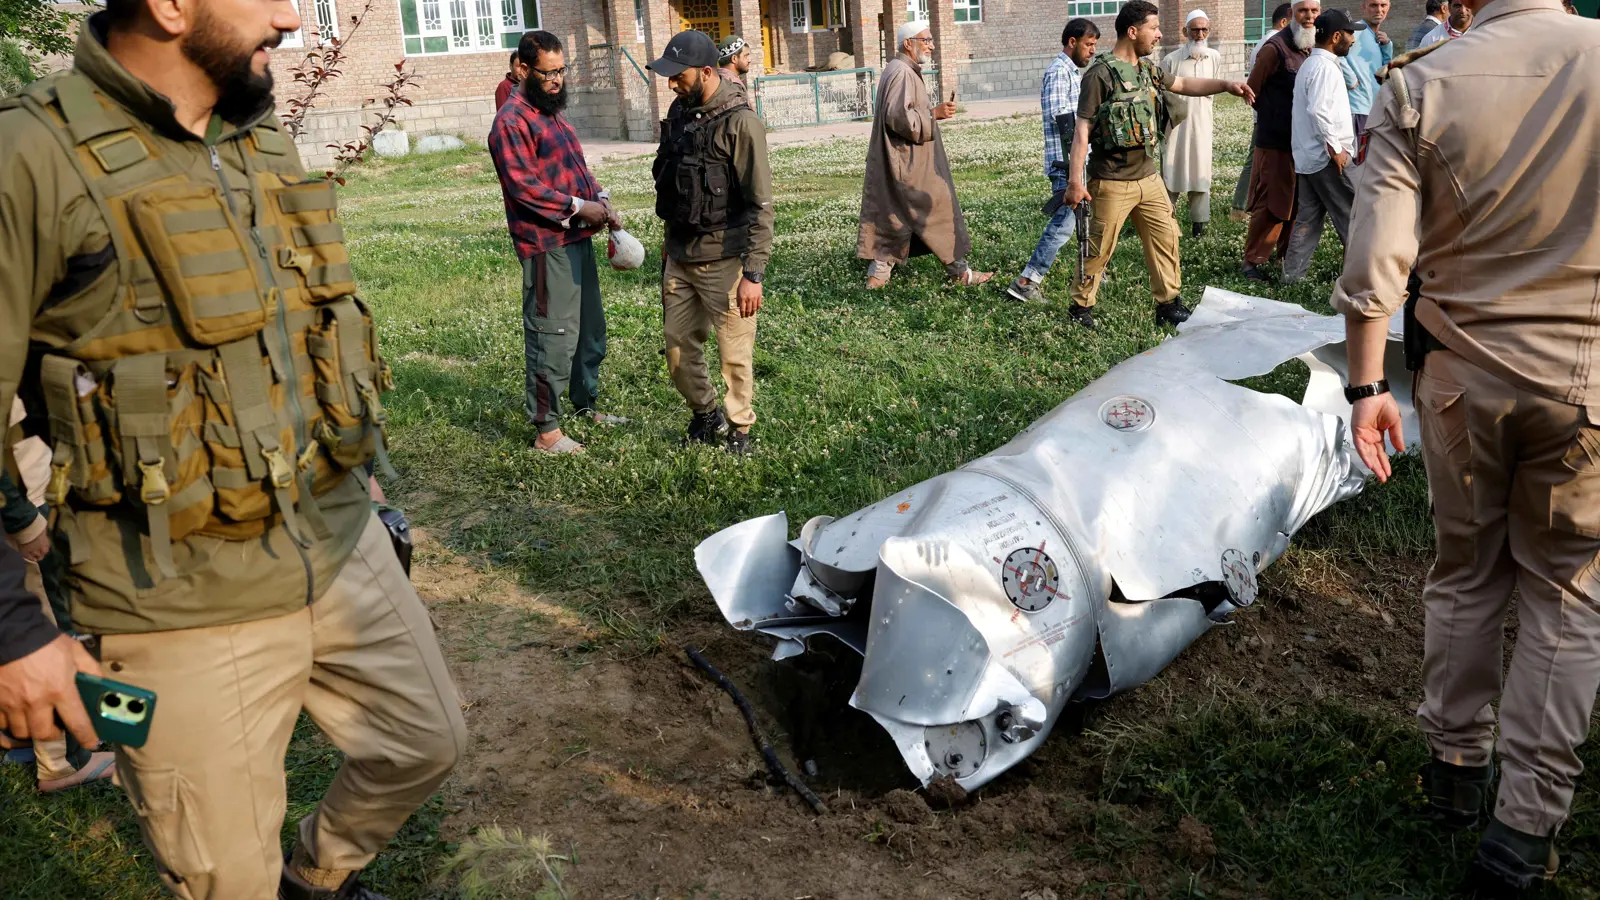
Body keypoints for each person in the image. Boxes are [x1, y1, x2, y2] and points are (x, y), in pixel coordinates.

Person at [0, 0, 469, 895]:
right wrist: (14, 634)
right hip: (169, 597)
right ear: (171, 7)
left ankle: (316, 877)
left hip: (334, 538)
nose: (291, 18)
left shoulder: (258, 139)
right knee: (224, 878)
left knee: (426, 742)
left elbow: (296, 340)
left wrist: (358, 473)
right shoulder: (28, 157)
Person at [1334, 1, 1600, 894]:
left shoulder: (1423, 82)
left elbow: (1377, 256)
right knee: (1568, 594)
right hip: (1589, 385)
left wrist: (1367, 387)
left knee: (1466, 571)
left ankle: (1453, 771)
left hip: (1460, 377)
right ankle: (1523, 830)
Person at [1061, 0, 1252, 330]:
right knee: (1097, 247)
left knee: (1166, 238)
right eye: (1154, 28)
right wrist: (1075, 182)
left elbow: (1183, 85)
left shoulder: (1147, 70)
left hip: (1148, 177)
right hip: (1111, 180)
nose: (1160, 34)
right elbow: (1081, 131)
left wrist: (1225, 85)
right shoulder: (1100, 74)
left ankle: (1168, 305)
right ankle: (1080, 308)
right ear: (1133, 32)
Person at [489, 30, 628, 456]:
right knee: (553, 334)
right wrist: (579, 207)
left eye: (561, 71)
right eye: (548, 73)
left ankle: (585, 405)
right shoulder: (511, 121)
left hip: (578, 236)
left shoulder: (552, 113)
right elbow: (524, 188)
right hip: (546, 244)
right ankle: (546, 430)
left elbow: (576, 169)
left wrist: (601, 200)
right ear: (522, 69)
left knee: (589, 330)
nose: (556, 81)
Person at [648, 30, 774, 456]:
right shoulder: (679, 112)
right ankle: (706, 414)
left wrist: (753, 274)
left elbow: (761, 204)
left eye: (678, 76)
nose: (671, 84)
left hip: (725, 258)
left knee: (734, 356)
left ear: (705, 71)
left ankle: (740, 430)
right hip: (679, 255)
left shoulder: (741, 123)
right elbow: (673, 184)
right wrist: (667, 243)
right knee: (677, 349)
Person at [2, 399, 116, 792]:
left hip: (30, 495)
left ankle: (20, 732)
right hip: (25, 504)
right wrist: (22, 520)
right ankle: (63, 761)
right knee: (48, 629)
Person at [857, 21, 993, 289]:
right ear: (908, 43)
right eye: (926, 40)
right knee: (936, 209)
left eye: (931, 40)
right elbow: (898, 117)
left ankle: (878, 276)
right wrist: (934, 114)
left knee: (895, 215)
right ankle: (960, 274)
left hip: (904, 161)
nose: (931, 45)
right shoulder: (901, 72)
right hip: (909, 164)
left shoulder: (901, 69)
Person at [1005, 17, 1099, 303]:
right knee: (1064, 223)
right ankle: (1026, 280)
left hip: (1076, 162)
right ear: (1072, 42)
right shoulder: (1059, 72)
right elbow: (1064, 121)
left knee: (1085, 220)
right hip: (1066, 163)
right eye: (1088, 44)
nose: (1092, 50)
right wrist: (1075, 168)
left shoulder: (1071, 72)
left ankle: (1093, 272)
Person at [1241, 0, 1319, 282]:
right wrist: (1275, 116)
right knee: (1272, 202)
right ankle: (1252, 261)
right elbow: (1252, 92)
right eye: (1303, 11)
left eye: (1314, 11)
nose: (1309, 16)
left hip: (1301, 142)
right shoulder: (1274, 48)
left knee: (1296, 203)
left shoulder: (1310, 47)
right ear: (1290, 14)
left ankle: (1283, 258)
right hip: (1275, 140)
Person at [1282, 9, 1360, 285]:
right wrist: (1336, 149)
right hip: (1328, 158)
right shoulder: (1324, 68)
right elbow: (1318, 111)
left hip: (1309, 158)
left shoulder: (1311, 64)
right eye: (1350, 33)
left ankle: (1292, 278)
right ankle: (1359, 279)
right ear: (1336, 36)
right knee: (1355, 216)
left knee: (1308, 220)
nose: (1353, 39)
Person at [1159, 9, 1222, 239]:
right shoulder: (1171, 60)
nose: (1200, 35)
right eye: (1195, 30)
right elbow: (1161, 95)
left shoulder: (1214, 57)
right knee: (1171, 172)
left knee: (1200, 173)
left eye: (1204, 30)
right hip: (1176, 128)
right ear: (1185, 31)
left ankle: (1199, 226)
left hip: (1202, 127)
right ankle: (1166, 225)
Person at [1232, 2, 1293, 222]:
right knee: (1256, 161)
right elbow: (1257, 83)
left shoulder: (1265, 42)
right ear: (1284, 21)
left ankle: (1244, 205)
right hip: (1269, 116)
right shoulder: (1274, 44)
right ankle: (1241, 206)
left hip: (1267, 115)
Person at [1342, 0, 1391, 136]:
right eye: (1373, 5)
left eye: (1383, 5)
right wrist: (1351, 79)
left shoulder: (1379, 37)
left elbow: (1385, 72)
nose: (1379, 10)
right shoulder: (1355, 30)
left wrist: (1387, 45)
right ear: (1364, 7)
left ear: (1389, 7)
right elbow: (1334, 52)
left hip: (1375, 109)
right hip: (1358, 108)